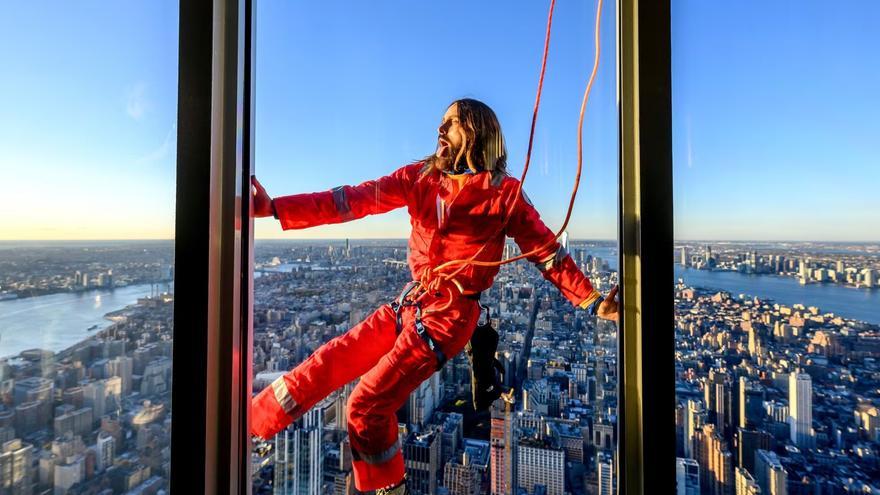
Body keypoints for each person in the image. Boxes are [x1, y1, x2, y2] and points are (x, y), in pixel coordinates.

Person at [250, 98, 619, 494]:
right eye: (442, 123)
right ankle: (251, 423)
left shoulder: (504, 194)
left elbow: (547, 252)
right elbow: (351, 201)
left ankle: (388, 490)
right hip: (413, 301)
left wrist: (592, 300)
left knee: (365, 404)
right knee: (328, 362)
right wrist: (275, 209)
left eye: (453, 123)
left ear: (477, 132)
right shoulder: (421, 178)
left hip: (450, 316)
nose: (441, 130)